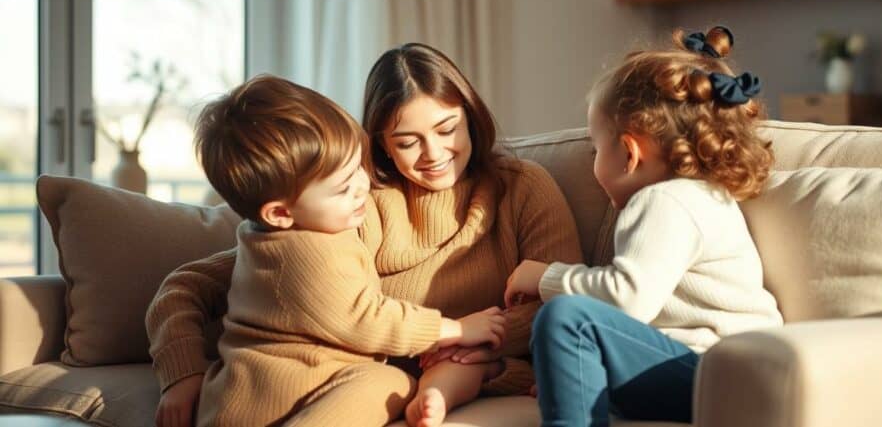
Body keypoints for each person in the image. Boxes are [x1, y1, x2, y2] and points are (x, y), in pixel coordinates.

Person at [145, 44, 583, 427]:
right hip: (346, 381)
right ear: (380, 144)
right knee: (387, 382)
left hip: (470, 366)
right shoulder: (349, 206)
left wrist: (479, 340)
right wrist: (182, 373)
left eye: (447, 129)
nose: (434, 154)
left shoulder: (524, 188)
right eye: (408, 141)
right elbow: (195, 284)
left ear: (470, 116)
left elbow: (567, 303)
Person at [185, 75, 505, 426]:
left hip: (236, 396)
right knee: (389, 382)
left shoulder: (261, 238)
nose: (362, 189)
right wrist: (454, 330)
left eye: (358, 169)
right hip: (278, 398)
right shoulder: (309, 252)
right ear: (279, 213)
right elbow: (366, 319)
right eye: (341, 189)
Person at [505, 26, 784, 425]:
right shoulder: (701, 196)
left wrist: (546, 277)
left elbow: (628, 299)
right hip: (719, 374)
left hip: (720, 374)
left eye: (595, 149)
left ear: (629, 152)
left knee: (565, 318)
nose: (593, 161)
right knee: (578, 338)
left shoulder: (664, 201)